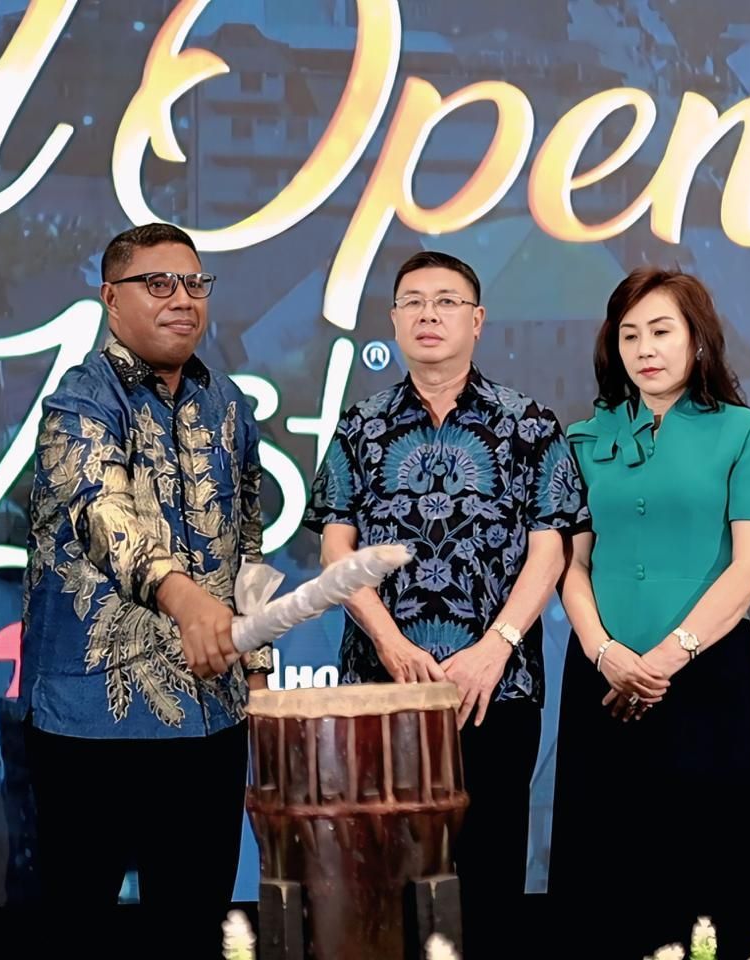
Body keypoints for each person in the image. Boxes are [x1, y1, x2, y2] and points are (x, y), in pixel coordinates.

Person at [304, 251, 587, 960]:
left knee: (489, 884)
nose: (429, 314)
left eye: (447, 301)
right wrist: (394, 645)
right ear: (394, 320)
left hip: (496, 688)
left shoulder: (530, 424)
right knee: (382, 885)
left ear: (478, 319)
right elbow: (336, 552)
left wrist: (497, 646)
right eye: (414, 302)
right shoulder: (359, 427)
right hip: (383, 689)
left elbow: (550, 549)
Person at [21, 222, 272, 959]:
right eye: (157, 284)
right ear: (111, 299)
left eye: (195, 284)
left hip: (211, 719)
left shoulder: (225, 402)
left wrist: (257, 664)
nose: (182, 299)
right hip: (91, 718)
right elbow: (106, 517)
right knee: (82, 926)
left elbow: (248, 536)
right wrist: (187, 599)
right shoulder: (79, 402)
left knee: (194, 928)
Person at [548, 267, 750, 960]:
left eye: (661, 331)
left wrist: (664, 658)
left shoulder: (749, 434)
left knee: (716, 870)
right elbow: (573, 564)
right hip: (604, 676)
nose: (644, 347)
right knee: (609, 867)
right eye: (629, 335)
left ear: (698, 341)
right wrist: (603, 651)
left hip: (707, 680)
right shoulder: (585, 438)